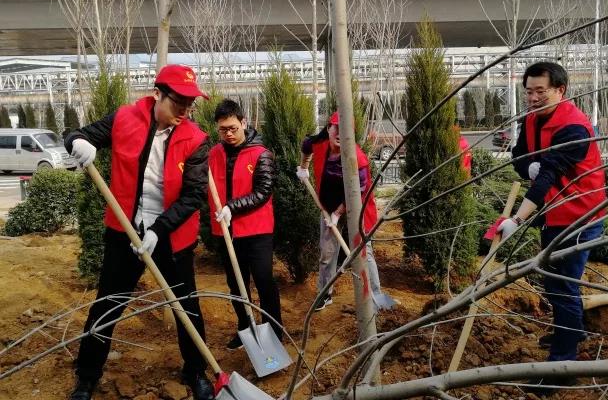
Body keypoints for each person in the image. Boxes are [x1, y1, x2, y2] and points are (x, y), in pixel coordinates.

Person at [65, 65, 213, 400]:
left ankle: (196, 371)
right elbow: (77, 134)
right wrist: (78, 142)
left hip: (172, 236)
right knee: (107, 305)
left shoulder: (196, 139)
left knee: (186, 306)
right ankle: (87, 376)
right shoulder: (125, 119)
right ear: (157, 94)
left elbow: (193, 195)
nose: (185, 110)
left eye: (190, 104)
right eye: (179, 102)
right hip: (125, 232)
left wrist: (159, 229)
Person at [496, 62, 606, 394]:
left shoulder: (574, 128)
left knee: (562, 287)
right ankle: (570, 332)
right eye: (528, 91)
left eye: (540, 91)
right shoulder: (531, 119)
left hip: (580, 217)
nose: (533, 98)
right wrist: (528, 167)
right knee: (556, 284)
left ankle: (563, 366)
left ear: (560, 90)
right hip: (554, 213)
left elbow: (548, 176)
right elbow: (519, 157)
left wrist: (517, 219)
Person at [208, 99, 283, 349]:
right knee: (236, 284)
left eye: (233, 128)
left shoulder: (262, 154)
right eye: (223, 129)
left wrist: (231, 207)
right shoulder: (214, 154)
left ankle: (274, 333)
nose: (228, 134)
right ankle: (245, 327)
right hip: (226, 231)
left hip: (256, 230)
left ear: (243, 122)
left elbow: (263, 191)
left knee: (263, 280)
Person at [296, 111, 386, 311]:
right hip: (327, 207)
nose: (338, 133)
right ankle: (325, 294)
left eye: (344, 129)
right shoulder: (319, 143)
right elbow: (305, 146)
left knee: (364, 252)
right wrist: (304, 167)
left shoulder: (358, 158)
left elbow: (358, 191)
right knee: (327, 253)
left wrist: (337, 214)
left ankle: (376, 296)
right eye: (335, 127)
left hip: (356, 207)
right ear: (328, 128)